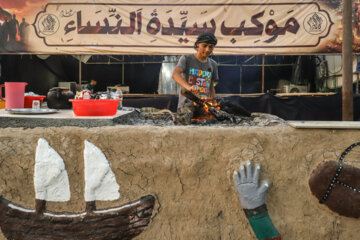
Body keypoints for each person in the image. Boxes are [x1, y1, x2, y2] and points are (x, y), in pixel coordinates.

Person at [172, 32, 218, 110]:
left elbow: (211, 86)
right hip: (186, 107)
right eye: (204, 46)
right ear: (197, 45)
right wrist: (189, 88)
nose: (207, 50)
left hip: (204, 107)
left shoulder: (213, 64)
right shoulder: (186, 58)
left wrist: (214, 104)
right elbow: (175, 74)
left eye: (211, 47)